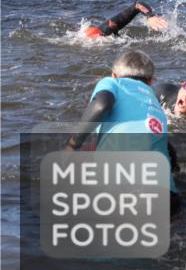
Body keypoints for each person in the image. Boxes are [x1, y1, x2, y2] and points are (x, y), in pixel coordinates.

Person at [66, 49, 179, 209]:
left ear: (113, 74)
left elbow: (101, 105)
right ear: (151, 81)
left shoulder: (112, 83)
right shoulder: (153, 99)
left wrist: (71, 146)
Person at [82, 0, 169, 39]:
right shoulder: (104, 36)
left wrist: (150, 16)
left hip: (159, 21)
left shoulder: (106, 30)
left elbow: (138, 4)